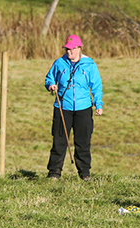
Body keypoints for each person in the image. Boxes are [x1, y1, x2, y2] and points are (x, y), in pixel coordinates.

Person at [44, 34, 103, 181]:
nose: (68, 52)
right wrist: (50, 85)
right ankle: (54, 173)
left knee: (83, 142)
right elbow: (49, 77)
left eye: (71, 49)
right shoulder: (59, 63)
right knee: (59, 141)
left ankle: (85, 174)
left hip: (84, 108)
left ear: (79, 48)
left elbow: (96, 85)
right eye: (67, 49)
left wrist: (98, 103)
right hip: (63, 107)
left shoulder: (89, 65)